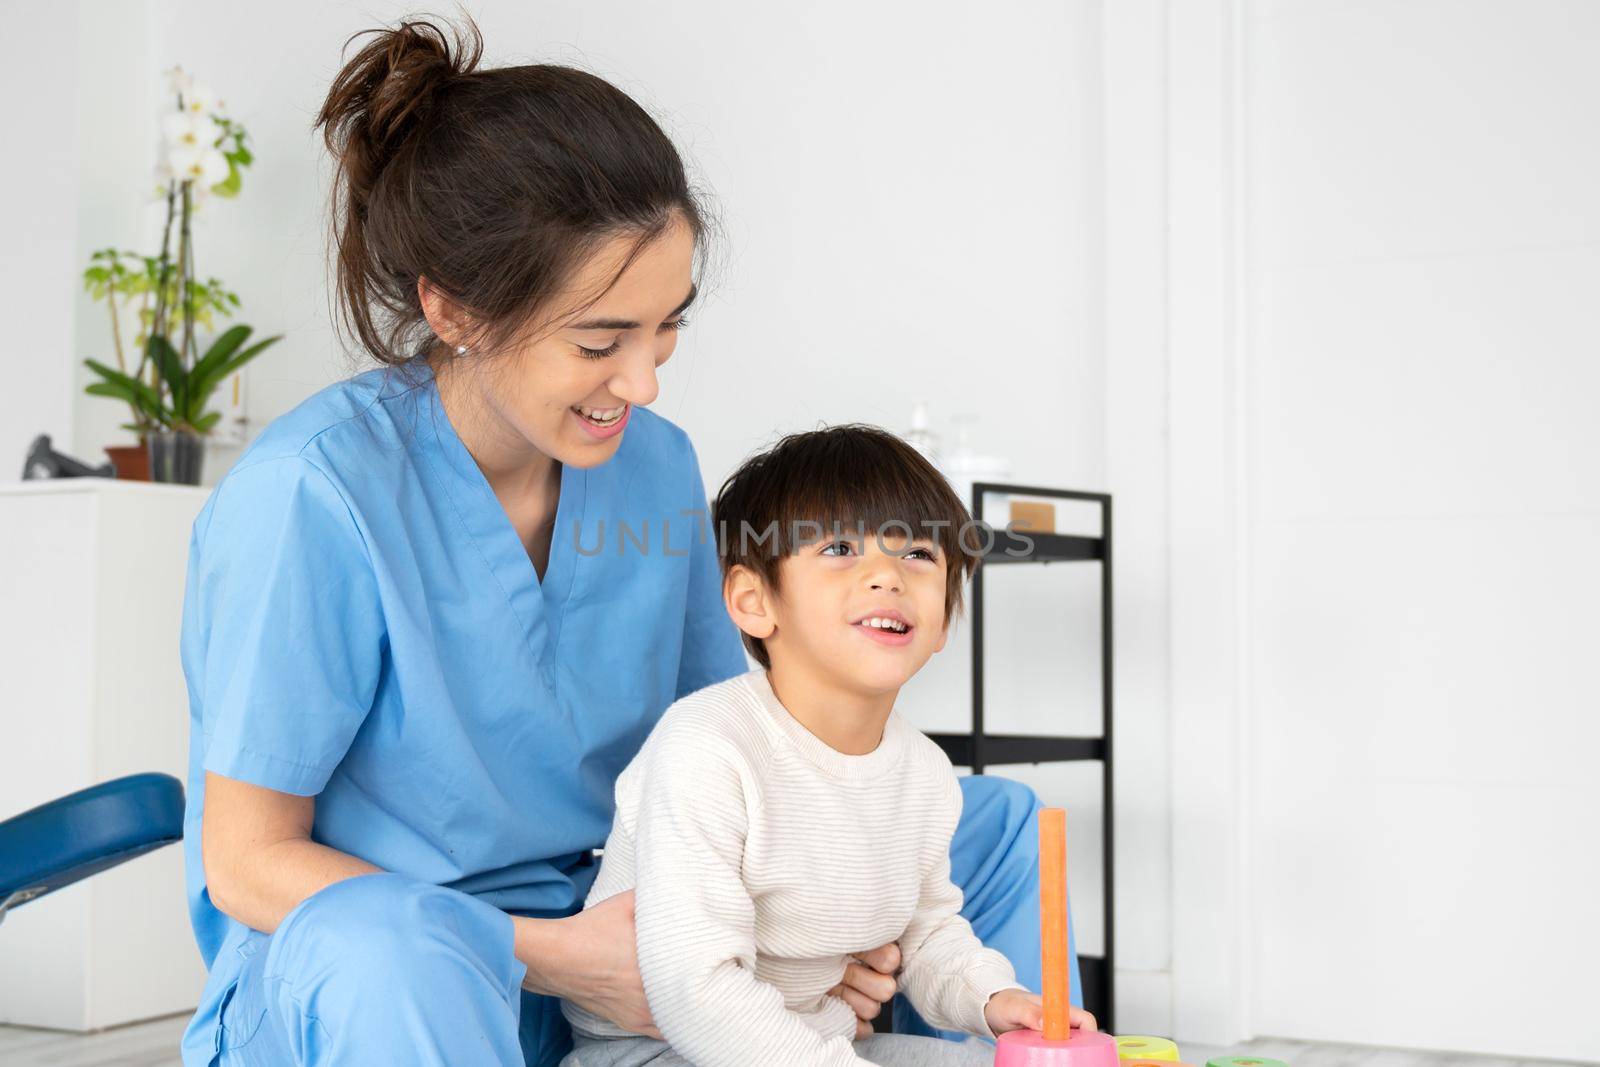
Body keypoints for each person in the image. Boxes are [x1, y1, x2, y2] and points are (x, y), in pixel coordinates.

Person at [178, 14, 1082, 1067]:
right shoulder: (312, 493)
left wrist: (834, 919)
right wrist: (564, 956)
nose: (643, 383)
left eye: (667, 328)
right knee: (390, 948)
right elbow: (246, 862)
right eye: (599, 340)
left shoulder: (650, 461)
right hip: (405, 967)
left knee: (985, 818)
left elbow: (744, 734)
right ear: (454, 307)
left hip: (628, 924)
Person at [559, 426, 1098, 1067]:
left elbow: (926, 935)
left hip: (818, 1044)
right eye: (841, 548)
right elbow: (695, 989)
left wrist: (995, 998)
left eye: (919, 555)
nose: (886, 576)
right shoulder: (707, 745)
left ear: (945, 617)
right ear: (754, 601)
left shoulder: (923, 772)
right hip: (659, 1050)